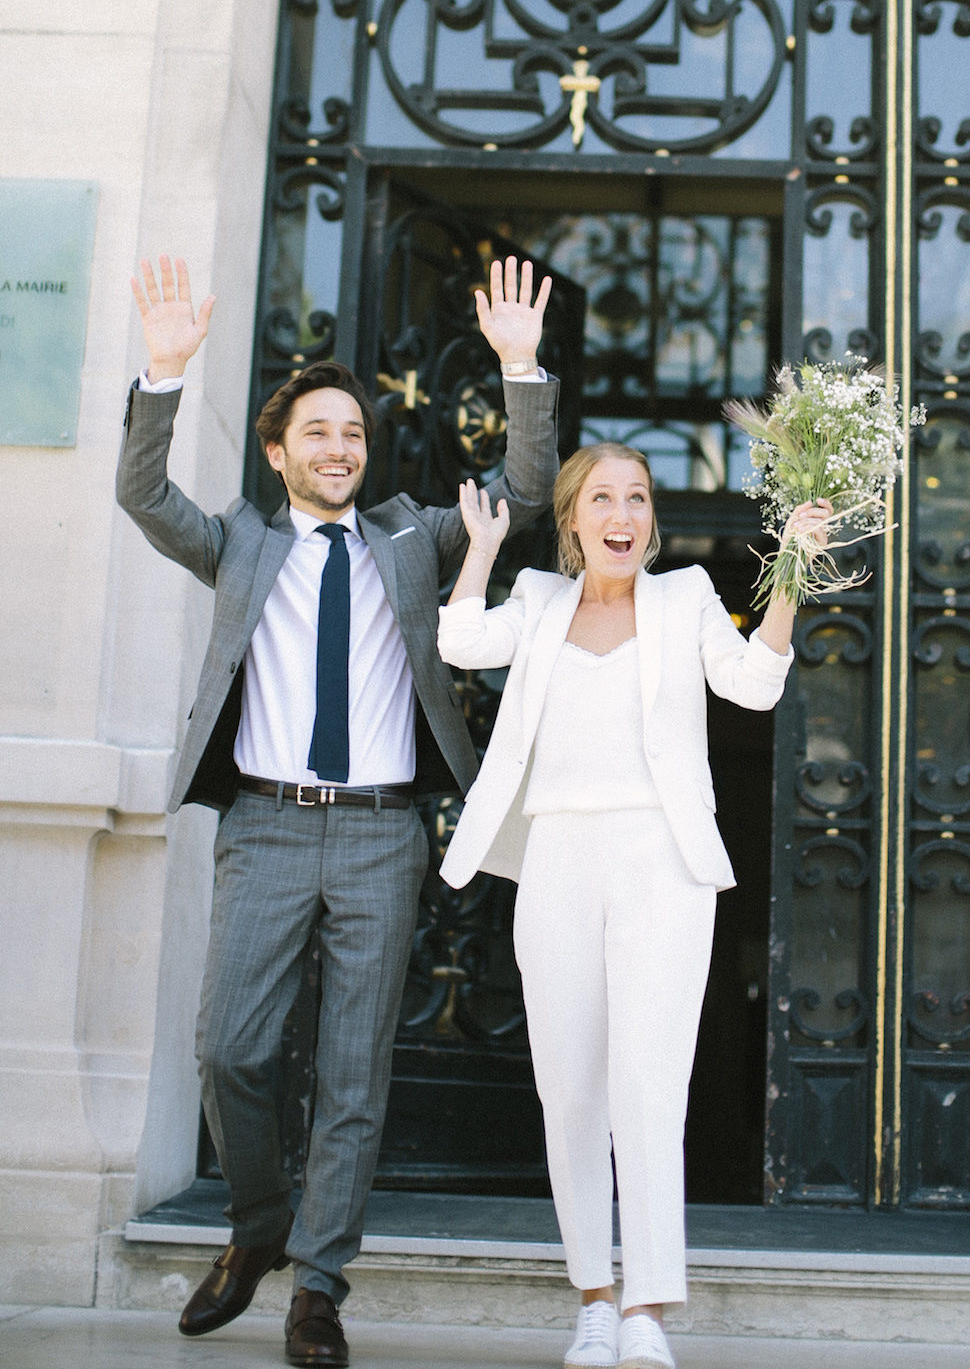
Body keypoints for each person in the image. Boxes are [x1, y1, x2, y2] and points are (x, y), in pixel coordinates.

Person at [116, 253, 559, 1368]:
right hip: (264, 826)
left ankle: (317, 1283)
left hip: (378, 833)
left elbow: (529, 487)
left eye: (352, 434)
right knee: (232, 1047)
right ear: (278, 452)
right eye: (316, 433)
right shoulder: (240, 544)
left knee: (357, 1070)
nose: (338, 449)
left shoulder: (413, 538)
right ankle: (258, 1219)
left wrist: (519, 369)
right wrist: (164, 373)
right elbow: (143, 496)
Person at [436, 444, 831, 1369]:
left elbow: (752, 683)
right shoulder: (534, 600)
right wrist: (484, 553)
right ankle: (594, 1299)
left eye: (639, 498)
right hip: (559, 856)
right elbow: (461, 642)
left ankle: (649, 1304)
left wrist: (792, 574)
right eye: (604, 497)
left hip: (662, 857)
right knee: (569, 1085)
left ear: (650, 520)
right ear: (573, 517)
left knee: (649, 1082)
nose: (624, 513)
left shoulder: (684, 596)